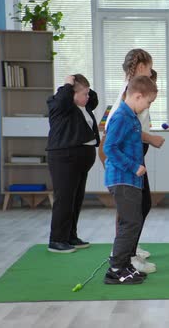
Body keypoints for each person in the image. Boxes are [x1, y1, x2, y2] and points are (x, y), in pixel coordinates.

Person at [101, 49, 164, 273]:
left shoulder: (133, 102)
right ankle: (122, 260)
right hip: (126, 169)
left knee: (137, 211)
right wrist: (134, 162)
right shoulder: (125, 105)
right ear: (139, 69)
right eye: (149, 67)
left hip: (133, 166)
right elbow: (110, 142)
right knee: (130, 215)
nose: (147, 106)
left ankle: (128, 254)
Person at [46, 74, 99, 253]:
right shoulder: (59, 106)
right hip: (64, 158)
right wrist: (68, 83)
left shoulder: (84, 106)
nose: (88, 97)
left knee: (76, 199)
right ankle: (57, 240)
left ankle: (70, 236)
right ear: (71, 94)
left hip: (81, 160)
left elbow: (94, 98)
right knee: (64, 199)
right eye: (84, 94)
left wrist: (83, 87)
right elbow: (62, 100)